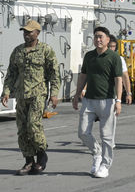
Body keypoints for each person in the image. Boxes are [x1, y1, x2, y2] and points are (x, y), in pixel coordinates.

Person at [1, 20, 59, 175]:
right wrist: (6, 91)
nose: (26, 34)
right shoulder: (18, 51)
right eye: (24, 31)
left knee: (33, 126)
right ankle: (28, 161)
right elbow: (11, 73)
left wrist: (54, 94)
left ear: (37, 33)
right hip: (21, 95)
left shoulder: (46, 50)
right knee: (22, 130)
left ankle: (41, 156)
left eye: (29, 32)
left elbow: (54, 74)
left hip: (38, 94)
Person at [72, 26, 123, 178]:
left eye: (101, 37)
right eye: (95, 37)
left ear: (108, 39)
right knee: (82, 132)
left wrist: (118, 100)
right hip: (89, 100)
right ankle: (97, 153)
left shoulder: (114, 57)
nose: (98, 39)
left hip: (107, 101)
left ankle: (105, 166)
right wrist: (76, 95)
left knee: (107, 136)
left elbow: (118, 79)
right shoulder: (89, 56)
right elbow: (83, 76)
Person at [108, 35, 132, 105]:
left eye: (113, 46)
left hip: (113, 95)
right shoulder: (98, 58)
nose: (111, 48)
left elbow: (125, 77)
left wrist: (128, 93)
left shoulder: (119, 59)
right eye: (109, 46)